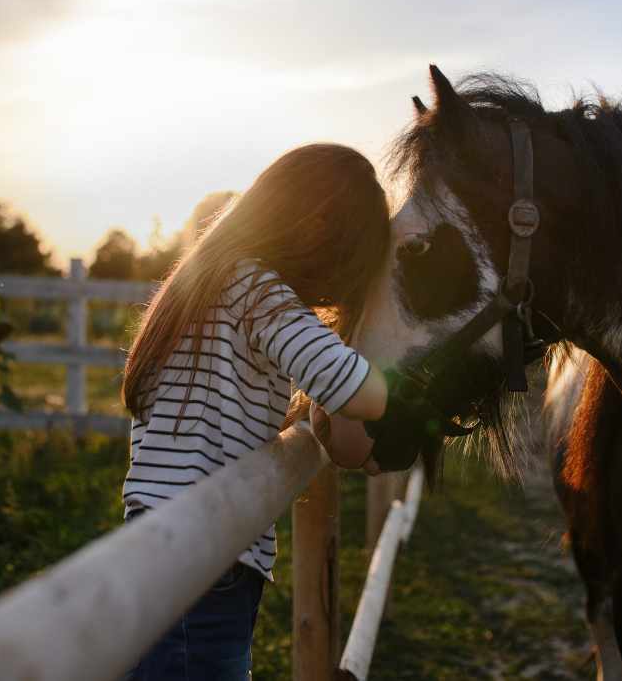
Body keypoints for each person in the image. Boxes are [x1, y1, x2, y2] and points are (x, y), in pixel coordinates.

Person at [119, 143, 434, 680]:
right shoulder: (257, 289)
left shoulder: (203, 283)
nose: (339, 289)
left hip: (154, 545)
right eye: (348, 263)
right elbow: (355, 387)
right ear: (315, 231)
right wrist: (410, 396)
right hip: (205, 559)